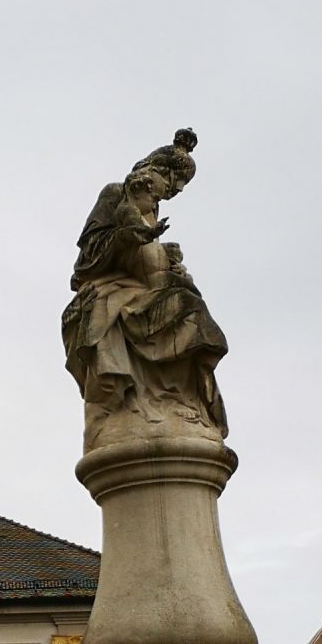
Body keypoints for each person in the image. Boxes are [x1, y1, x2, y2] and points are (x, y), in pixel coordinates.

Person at [62, 130, 228, 447]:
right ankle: (144, 404)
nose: (177, 190)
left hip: (146, 290)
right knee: (187, 307)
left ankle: (180, 403)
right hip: (116, 289)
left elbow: (148, 262)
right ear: (160, 170)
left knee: (195, 315)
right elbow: (89, 255)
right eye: (176, 180)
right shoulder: (116, 193)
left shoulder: (153, 208)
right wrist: (133, 236)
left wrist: (170, 264)